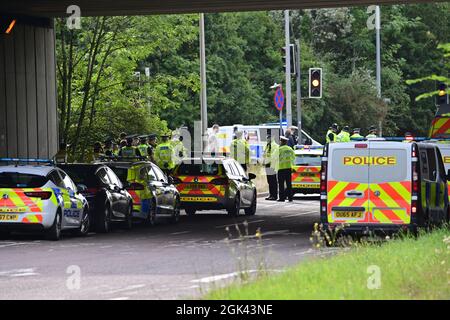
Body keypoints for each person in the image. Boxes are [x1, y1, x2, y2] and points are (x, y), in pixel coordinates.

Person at [276, 136, 295, 202]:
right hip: (288, 168)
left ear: (281, 141)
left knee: (281, 184)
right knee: (289, 184)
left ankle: (282, 198)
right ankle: (290, 197)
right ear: (286, 142)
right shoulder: (290, 149)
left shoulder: (279, 149)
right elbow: (293, 158)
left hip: (281, 168)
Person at [263, 133, 279, 201]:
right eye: (267, 137)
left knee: (273, 181)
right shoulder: (267, 145)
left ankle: (274, 195)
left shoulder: (275, 146)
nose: (267, 139)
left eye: (269, 137)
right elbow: (265, 154)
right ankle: (271, 194)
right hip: (267, 164)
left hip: (272, 165)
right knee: (269, 181)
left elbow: (274, 156)